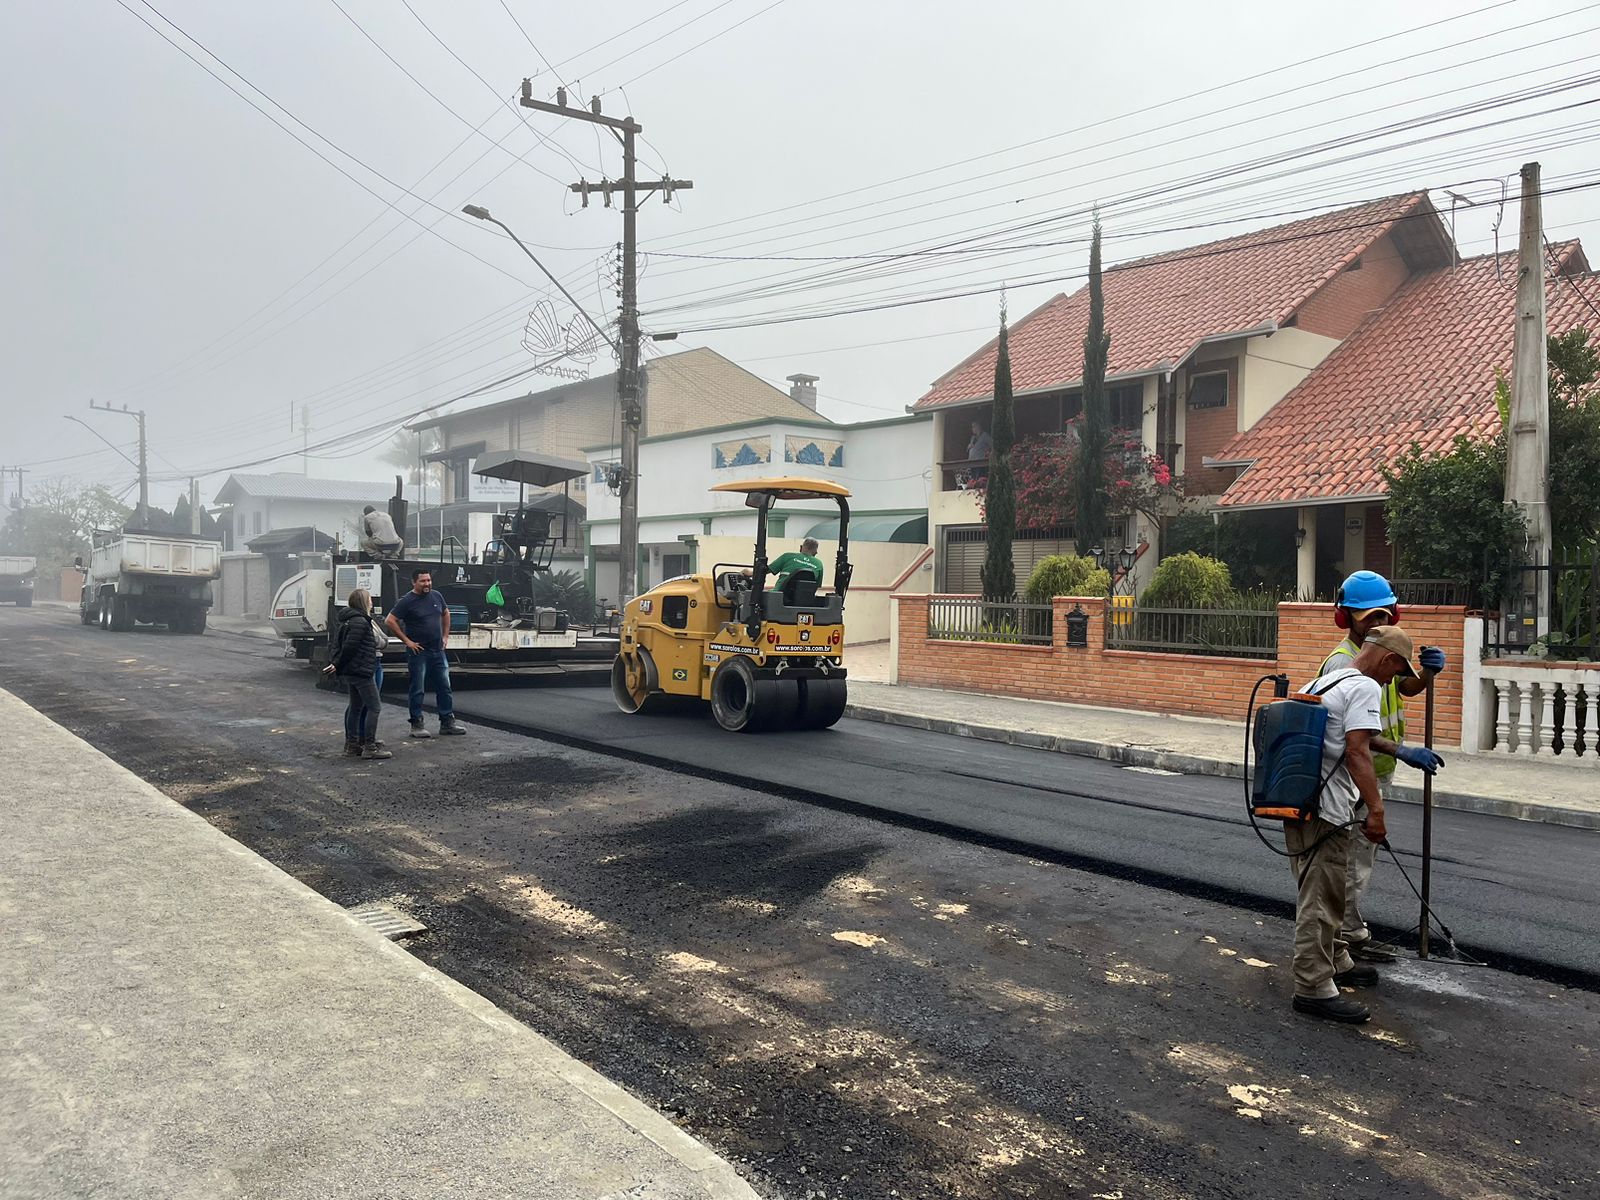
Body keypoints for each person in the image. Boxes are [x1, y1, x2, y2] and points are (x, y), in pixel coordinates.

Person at [1289, 625, 1421, 1024]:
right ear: (1387, 659)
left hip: (1298, 800)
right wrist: (1376, 812)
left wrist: (1402, 751)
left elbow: (1349, 736)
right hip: (1326, 807)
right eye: (1396, 672)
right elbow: (1356, 751)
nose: (1393, 681)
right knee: (1322, 897)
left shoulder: (1330, 678)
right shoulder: (1365, 686)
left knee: (1322, 890)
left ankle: (1337, 961)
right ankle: (1312, 986)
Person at [1319, 571, 1446, 964]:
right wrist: (1403, 749)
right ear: (1347, 617)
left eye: (1381, 616)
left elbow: (1404, 687)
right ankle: (1345, 939)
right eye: (1366, 617)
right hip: (1352, 773)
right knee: (1351, 862)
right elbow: (1349, 735)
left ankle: (1349, 932)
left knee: (1360, 860)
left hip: (1376, 769)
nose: (1375, 624)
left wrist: (1426, 673)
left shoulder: (1386, 653)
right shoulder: (1343, 663)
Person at [385, 569, 466, 738]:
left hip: (437, 650)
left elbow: (446, 613)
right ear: (414, 582)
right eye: (423, 581)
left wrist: (445, 636)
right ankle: (416, 724)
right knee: (418, 688)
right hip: (418, 652)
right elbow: (390, 620)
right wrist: (407, 641)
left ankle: (447, 722)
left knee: (444, 687)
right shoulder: (407, 601)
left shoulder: (437, 596)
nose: (427, 584)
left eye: (429, 580)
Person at [325, 588, 391, 760]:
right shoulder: (361, 622)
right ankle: (369, 746)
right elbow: (350, 647)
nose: (372, 602)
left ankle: (352, 744)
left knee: (355, 707)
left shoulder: (348, 620)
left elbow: (339, 645)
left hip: (353, 670)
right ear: (363, 602)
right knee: (374, 707)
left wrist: (337, 664)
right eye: (369, 599)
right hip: (362, 670)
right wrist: (338, 663)